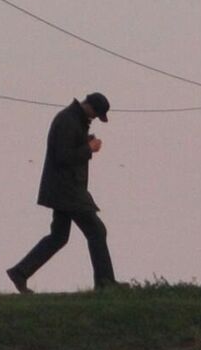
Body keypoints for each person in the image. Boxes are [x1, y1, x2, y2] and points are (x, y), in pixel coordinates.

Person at [6, 92, 120, 292]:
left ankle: (20, 272)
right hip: (68, 190)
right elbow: (63, 156)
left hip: (63, 189)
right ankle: (105, 282)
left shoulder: (72, 119)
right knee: (96, 231)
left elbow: (67, 148)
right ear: (89, 106)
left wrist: (85, 141)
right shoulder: (68, 120)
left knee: (58, 237)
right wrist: (88, 148)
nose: (94, 119)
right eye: (95, 114)